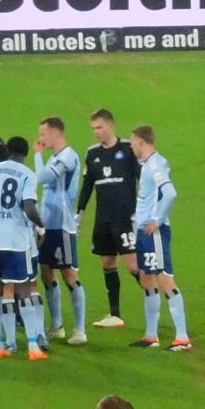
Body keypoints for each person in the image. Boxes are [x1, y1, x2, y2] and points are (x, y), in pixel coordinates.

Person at [0, 136, 47, 359]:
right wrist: (40, 224)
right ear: (25, 154)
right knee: (24, 290)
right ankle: (33, 347)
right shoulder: (27, 174)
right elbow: (28, 206)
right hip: (16, 241)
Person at [76, 109, 139, 329]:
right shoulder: (92, 153)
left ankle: (153, 300)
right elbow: (87, 186)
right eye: (93, 128)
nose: (96, 132)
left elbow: (143, 179)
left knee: (133, 264)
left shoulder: (128, 149)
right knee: (108, 261)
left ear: (110, 126)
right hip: (104, 218)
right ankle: (115, 314)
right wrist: (80, 212)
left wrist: (141, 210)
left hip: (125, 217)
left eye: (99, 127)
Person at [128, 125, 189, 350]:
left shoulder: (155, 164)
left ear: (141, 142)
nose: (132, 145)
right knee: (146, 278)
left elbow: (171, 193)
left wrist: (158, 219)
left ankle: (182, 336)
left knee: (164, 278)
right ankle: (151, 335)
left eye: (133, 141)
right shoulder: (147, 165)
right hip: (144, 231)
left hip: (154, 232)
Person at [32, 116, 88, 343]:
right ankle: (57, 326)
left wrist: (37, 154)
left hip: (63, 226)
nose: (41, 138)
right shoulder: (55, 158)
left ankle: (80, 330)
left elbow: (42, 177)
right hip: (49, 226)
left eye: (43, 134)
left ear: (56, 133)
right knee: (46, 272)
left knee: (69, 274)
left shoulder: (68, 157)